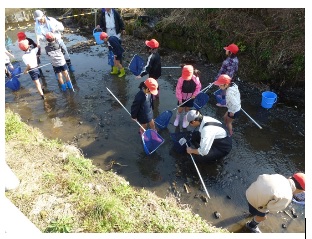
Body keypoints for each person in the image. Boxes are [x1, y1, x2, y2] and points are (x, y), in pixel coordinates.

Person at [33, 9, 75, 74]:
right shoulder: (37, 25)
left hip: (58, 40)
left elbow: (62, 27)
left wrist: (55, 29)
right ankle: (57, 71)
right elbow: (39, 35)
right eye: (38, 19)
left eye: (40, 19)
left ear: (43, 16)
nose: (39, 20)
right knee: (52, 57)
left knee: (65, 52)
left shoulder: (51, 20)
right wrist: (44, 38)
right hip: (48, 43)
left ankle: (69, 65)